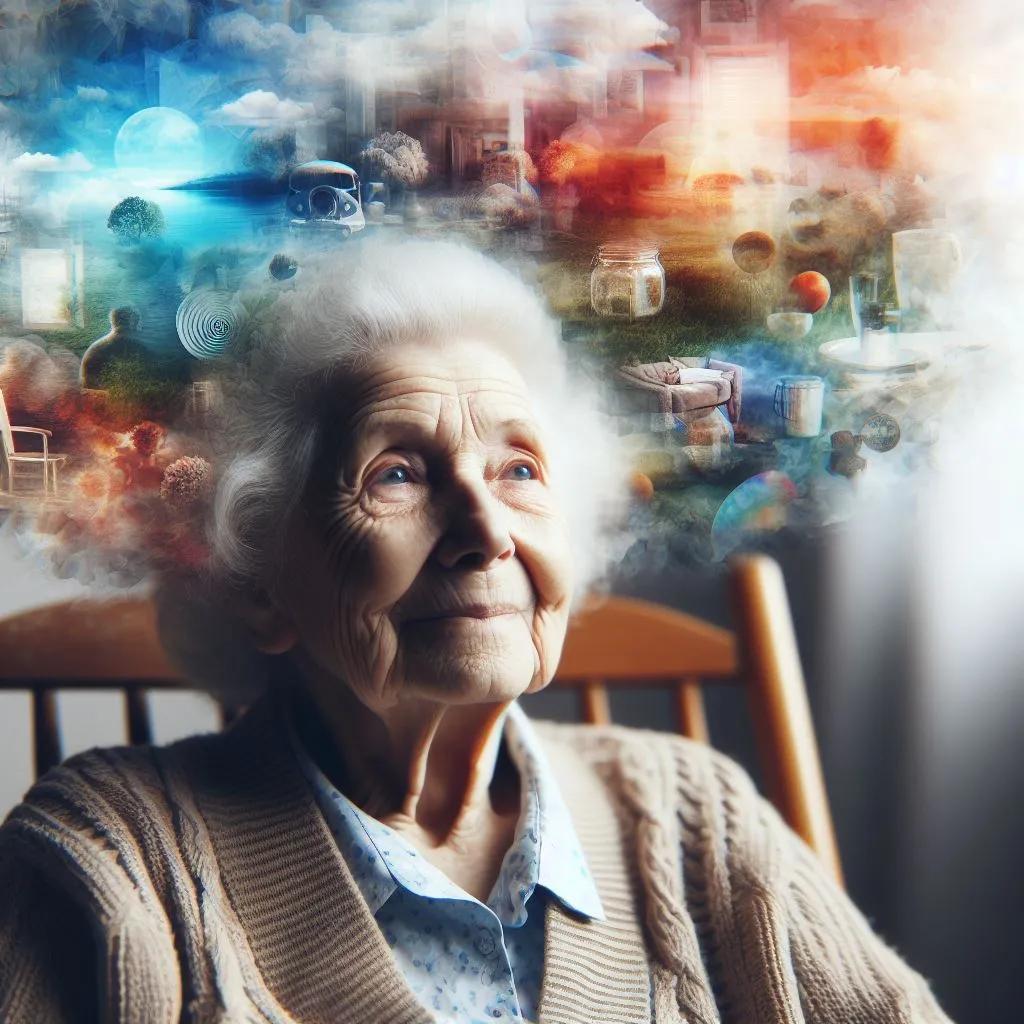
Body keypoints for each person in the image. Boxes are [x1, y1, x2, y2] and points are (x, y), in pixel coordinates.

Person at [0, 241, 953, 1024]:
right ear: (256, 584)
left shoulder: (698, 819)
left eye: (520, 470)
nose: (488, 531)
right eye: (398, 475)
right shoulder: (112, 867)